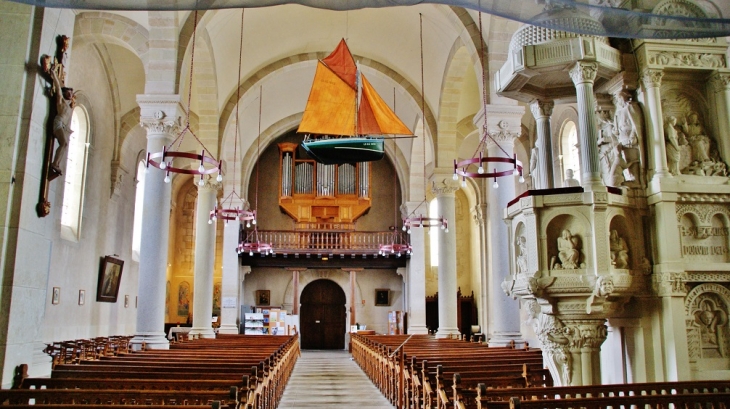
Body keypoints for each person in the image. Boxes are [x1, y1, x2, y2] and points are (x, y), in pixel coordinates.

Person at [48, 67, 75, 176]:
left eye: (71, 94)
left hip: (62, 126)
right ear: (64, 93)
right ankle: (54, 164)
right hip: (58, 122)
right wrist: (54, 74)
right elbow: (59, 88)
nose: (71, 95)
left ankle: (57, 163)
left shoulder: (68, 106)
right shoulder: (61, 101)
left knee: (65, 144)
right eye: (68, 93)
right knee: (63, 143)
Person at [613, 91, 643, 184]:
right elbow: (616, 127)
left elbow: (636, 124)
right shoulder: (618, 112)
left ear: (623, 98)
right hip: (622, 139)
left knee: (632, 158)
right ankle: (631, 178)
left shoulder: (630, 107)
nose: (618, 101)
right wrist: (615, 131)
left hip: (630, 138)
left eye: (619, 99)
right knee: (626, 160)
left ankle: (637, 180)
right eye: (617, 99)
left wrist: (633, 135)